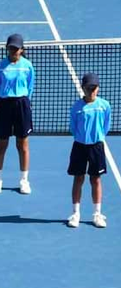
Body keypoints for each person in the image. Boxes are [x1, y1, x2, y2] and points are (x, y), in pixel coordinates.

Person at [0, 34, 35, 195]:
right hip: (4, 106)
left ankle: (24, 180)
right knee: (1, 144)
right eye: (11, 48)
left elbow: (30, 87)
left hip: (22, 105)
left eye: (16, 48)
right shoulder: (0, 67)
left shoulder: (28, 66)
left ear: (22, 50)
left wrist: (21, 100)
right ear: (7, 48)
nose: (13, 51)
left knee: (22, 144)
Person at [66, 73, 111, 229]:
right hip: (79, 146)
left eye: (94, 88)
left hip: (96, 147)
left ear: (98, 88)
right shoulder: (77, 107)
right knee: (78, 179)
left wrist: (96, 137)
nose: (91, 91)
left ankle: (97, 214)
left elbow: (106, 126)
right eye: (88, 88)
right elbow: (73, 127)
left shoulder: (104, 105)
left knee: (95, 179)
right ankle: (75, 213)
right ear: (83, 88)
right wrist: (83, 138)